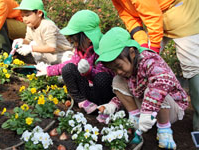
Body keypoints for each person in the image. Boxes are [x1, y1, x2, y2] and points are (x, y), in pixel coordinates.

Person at [111, 0, 199, 131]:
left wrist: (153, 53)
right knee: (139, 59)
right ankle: (146, 109)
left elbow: (152, 15)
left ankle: (197, 123)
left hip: (181, 13)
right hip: (157, 16)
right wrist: (143, 46)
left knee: (193, 65)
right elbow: (129, 18)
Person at [96, 27, 189, 149]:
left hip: (172, 109)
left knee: (155, 89)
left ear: (132, 53)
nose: (118, 71)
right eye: (113, 69)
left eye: (119, 66)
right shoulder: (128, 71)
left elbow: (163, 81)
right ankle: (136, 120)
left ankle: (164, 131)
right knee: (117, 81)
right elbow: (130, 91)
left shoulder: (149, 60)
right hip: (149, 109)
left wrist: (148, 111)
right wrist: (113, 105)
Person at [35, 10, 120, 121]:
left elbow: (108, 75)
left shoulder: (104, 48)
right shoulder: (81, 50)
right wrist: (48, 70)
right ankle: (82, 101)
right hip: (88, 93)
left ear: (89, 38)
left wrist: (89, 72)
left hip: (104, 93)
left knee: (101, 78)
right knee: (68, 68)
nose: (74, 45)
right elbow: (71, 64)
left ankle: (104, 108)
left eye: (75, 41)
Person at [12, 0, 73, 65]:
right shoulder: (30, 25)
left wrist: (31, 48)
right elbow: (28, 40)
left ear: (39, 13)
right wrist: (22, 41)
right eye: (23, 16)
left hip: (62, 54)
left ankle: (54, 69)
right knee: (33, 43)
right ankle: (43, 68)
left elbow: (51, 48)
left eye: (27, 15)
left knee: (68, 62)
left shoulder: (47, 26)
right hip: (50, 55)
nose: (24, 19)